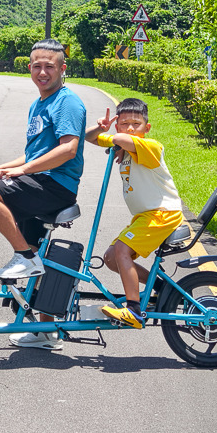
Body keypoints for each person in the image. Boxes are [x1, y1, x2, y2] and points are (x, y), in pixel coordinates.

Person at [0, 39, 87, 349]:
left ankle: (25, 256)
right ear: (29, 68)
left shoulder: (67, 101)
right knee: (38, 258)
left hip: (54, 186)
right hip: (39, 182)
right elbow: (32, 155)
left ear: (63, 69)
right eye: (37, 65)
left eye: (50, 66)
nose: (42, 71)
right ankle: (45, 332)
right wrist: (0, 168)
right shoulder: (39, 104)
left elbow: (67, 148)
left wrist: (20, 173)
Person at [85, 97, 184, 328]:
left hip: (163, 214)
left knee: (122, 250)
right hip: (145, 217)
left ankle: (134, 310)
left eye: (136, 124)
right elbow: (88, 138)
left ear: (146, 128)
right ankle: (162, 288)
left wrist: (117, 139)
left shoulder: (151, 147)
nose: (130, 128)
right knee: (111, 258)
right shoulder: (126, 147)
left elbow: (119, 139)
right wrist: (101, 128)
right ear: (117, 124)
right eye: (125, 123)